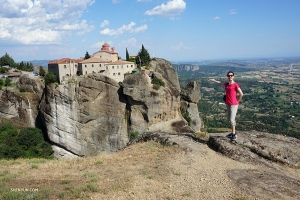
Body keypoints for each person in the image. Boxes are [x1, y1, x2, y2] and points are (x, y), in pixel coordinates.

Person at [209, 71, 243, 141]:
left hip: (233, 104)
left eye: (231, 75)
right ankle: (232, 132)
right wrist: (214, 80)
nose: (230, 76)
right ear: (227, 76)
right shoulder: (227, 84)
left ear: (233, 76)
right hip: (228, 103)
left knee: (232, 119)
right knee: (230, 119)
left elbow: (241, 94)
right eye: (228, 75)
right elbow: (220, 83)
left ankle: (234, 134)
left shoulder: (235, 85)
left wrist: (237, 101)